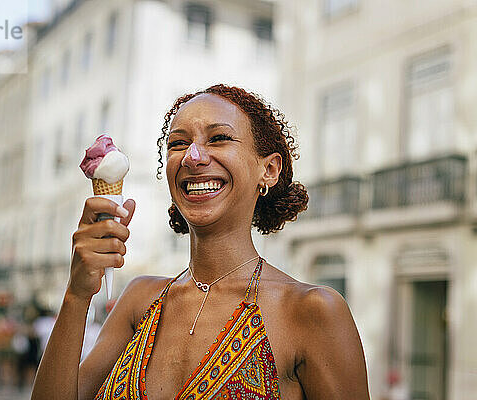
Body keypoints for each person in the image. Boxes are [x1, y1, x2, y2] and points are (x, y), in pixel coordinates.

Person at [32, 84, 370, 399]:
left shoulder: (311, 311)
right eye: (178, 143)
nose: (193, 156)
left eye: (219, 138)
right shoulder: (139, 299)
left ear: (268, 169)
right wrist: (76, 295)